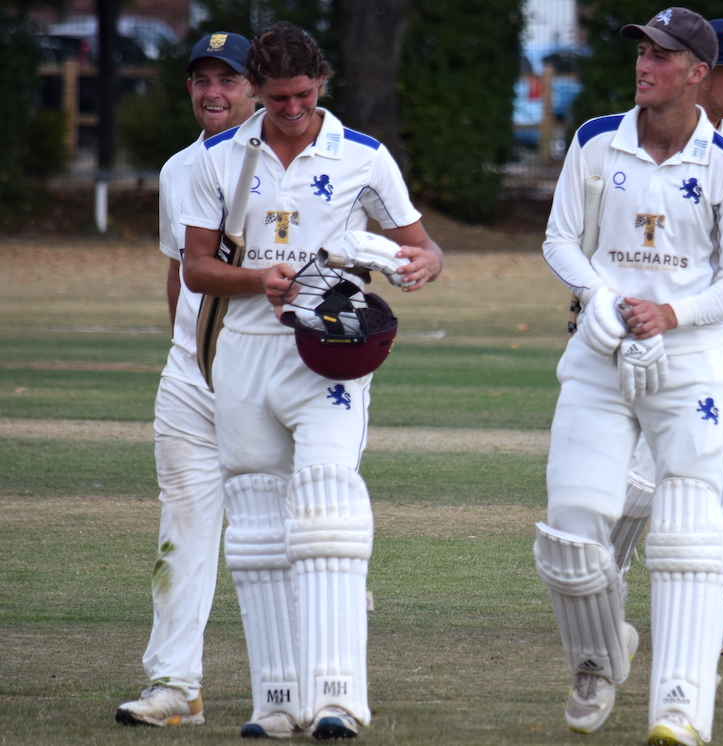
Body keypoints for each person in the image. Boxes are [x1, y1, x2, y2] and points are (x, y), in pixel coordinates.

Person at [181, 22, 443, 739]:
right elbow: (196, 269)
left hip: (329, 351)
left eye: (303, 95)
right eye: (277, 99)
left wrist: (420, 265)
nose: (293, 110)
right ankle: (275, 700)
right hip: (244, 353)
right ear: (256, 92)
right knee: (257, 525)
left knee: (328, 506)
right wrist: (257, 279)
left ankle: (338, 699)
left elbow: (421, 246)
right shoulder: (220, 158)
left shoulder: (363, 156)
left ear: (321, 83)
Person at [533, 8, 723, 746]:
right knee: (571, 532)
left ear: (698, 73)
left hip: (690, 363)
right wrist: (600, 297)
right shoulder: (594, 141)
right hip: (600, 352)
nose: (645, 64)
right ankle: (598, 660)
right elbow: (560, 240)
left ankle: (680, 708)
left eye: (663, 55)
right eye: (642, 51)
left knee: (689, 530)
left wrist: (672, 314)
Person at [610, 18, 723, 659]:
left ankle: (718, 614)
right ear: (700, 75)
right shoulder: (629, 136)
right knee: (642, 481)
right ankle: (603, 578)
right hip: (653, 335)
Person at [116, 31, 256, 728]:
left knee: (287, 534)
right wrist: (185, 351)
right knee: (183, 529)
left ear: (255, 88)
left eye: (227, 80)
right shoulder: (179, 169)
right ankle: (175, 686)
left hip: (267, 376)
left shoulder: (286, 163)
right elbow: (180, 272)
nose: (213, 92)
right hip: (191, 378)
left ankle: (311, 681)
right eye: (202, 80)